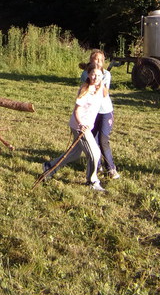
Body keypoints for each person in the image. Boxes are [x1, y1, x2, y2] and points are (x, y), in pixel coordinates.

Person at [42, 64, 107, 192]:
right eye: (93, 74)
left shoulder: (100, 88)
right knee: (95, 153)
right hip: (80, 127)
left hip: (87, 126)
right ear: (88, 75)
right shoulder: (85, 90)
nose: (96, 77)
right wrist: (81, 124)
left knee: (74, 154)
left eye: (99, 75)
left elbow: (103, 97)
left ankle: (49, 166)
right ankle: (92, 181)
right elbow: (76, 111)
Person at [82, 49, 120, 179]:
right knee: (93, 140)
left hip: (105, 111)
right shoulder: (85, 74)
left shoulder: (106, 74)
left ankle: (111, 168)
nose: (98, 62)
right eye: (95, 59)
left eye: (101, 60)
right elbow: (86, 90)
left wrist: (99, 78)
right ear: (90, 61)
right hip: (92, 112)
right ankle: (96, 166)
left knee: (103, 140)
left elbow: (104, 93)